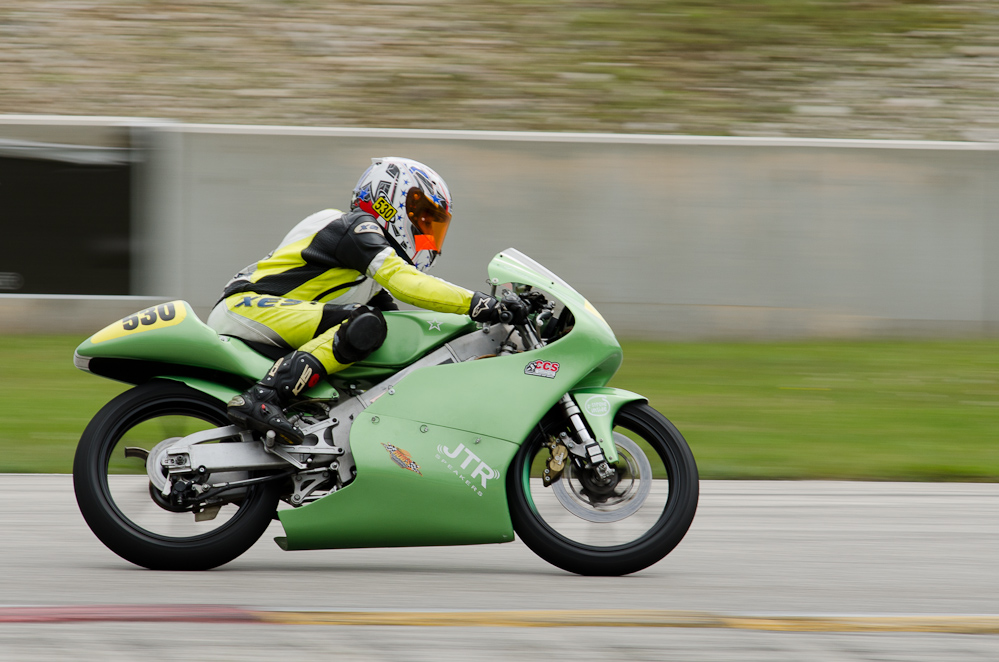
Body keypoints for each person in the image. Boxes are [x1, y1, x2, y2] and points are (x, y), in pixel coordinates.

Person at [207, 157, 526, 444]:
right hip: (247, 307)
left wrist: (476, 329)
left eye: (433, 225)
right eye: (423, 218)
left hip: (271, 315)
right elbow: (407, 284)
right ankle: (263, 398)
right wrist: (481, 304)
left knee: (382, 335)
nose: (427, 232)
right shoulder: (354, 227)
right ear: (390, 200)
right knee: (364, 323)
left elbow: (404, 332)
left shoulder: (368, 270)